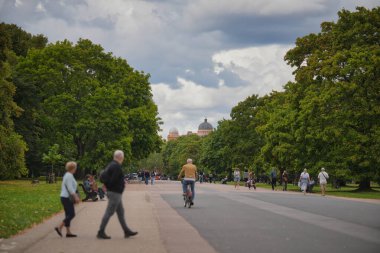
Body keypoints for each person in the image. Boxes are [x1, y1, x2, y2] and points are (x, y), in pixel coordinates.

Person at [97, 150, 138, 239]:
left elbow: (109, 179)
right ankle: (101, 231)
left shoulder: (111, 164)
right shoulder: (116, 167)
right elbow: (113, 180)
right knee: (109, 212)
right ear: (121, 157)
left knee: (120, 212)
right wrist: (118, 186)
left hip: (114, 193)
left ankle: (126, 231)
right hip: (115, 193)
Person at [54, 161, 80, 238]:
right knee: (72, 214)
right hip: (66, 198)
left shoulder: (68, 175)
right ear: (73, 168)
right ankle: (59, 227)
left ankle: (68, 232)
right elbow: (70, 188)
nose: (76, 169)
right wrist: (75, 196)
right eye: (75, 167)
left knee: (68, 214)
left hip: (65, 197)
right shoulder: (69, 176)